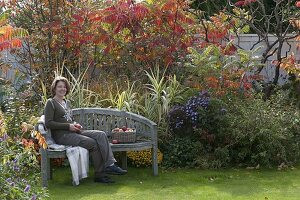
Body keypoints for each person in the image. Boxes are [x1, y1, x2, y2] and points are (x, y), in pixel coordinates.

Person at [44, 76, 127, 184]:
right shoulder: (50, 103)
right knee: (92, 143)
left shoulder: (66, 103)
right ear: (54, 88)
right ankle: (100, 175)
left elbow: (69, 119)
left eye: (64, 87)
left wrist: (75, 124)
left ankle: (110, 165)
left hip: (73, 131)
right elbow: (48, 123)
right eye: (59, 86)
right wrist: (68, 127)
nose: (62, 89)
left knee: (101, 135)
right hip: (62, 136)